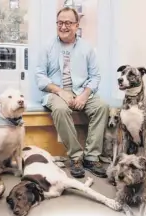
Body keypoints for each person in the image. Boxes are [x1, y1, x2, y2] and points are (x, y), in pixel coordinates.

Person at [35, 6, 108, 179]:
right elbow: (40, 78)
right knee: (60, 109)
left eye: (68, 23)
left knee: (102, 107)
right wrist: (60, 92)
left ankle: (91, 157)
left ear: (77, 25)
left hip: (81, 91)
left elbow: (95, 76)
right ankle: (76, 157)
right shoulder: (47, 47)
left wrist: (84, 94)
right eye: (60, 23)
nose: (63, 27)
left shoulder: (87, 49)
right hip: (56, 92)